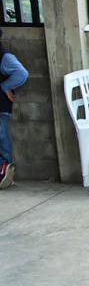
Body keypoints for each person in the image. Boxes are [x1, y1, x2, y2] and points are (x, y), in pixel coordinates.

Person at [0, 28, 29, 189]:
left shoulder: (4, 57)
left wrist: (5, 86)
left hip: (1, 105)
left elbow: (21, 74)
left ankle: (5, 171)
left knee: (1, 138)